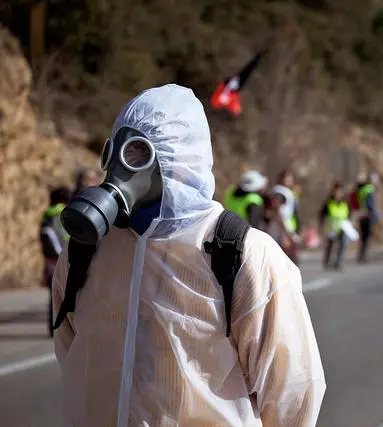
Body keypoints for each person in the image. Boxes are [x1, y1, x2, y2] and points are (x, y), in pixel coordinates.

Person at [52, 84, 325, 427]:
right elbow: (74, 352)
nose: (122, 170)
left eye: (137, 153)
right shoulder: (87, 249)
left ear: (180, 161)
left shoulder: (244, 255)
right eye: (116, 152)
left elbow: (292, 391)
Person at [40, 186, 71, 337]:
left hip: (50, 259)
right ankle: (61, 327)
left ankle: (54, 327)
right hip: (61, 257)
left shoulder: (46, 214)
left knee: (54, 294)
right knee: (64, 293)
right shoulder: (60, 213)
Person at [319, 182, 350, 270]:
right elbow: (322, 215)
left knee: (343, 244)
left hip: (342, 227)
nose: (339, 194)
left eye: (340, 192)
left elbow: (349, 214)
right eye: (337, 191)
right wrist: (322, 226)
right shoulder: (328, 203)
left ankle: (339, 262)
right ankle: (327, 262)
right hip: (331, 227)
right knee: (330, 245)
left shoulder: (345, 203)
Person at [356, 173, 380, 263]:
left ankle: (361, 255)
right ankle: (364, 256)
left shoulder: (362, 189)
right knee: (366, 237)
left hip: (361, 214)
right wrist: (376, 217)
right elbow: (371, 205)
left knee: (363, 237)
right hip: (367, 216)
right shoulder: (370, 190)